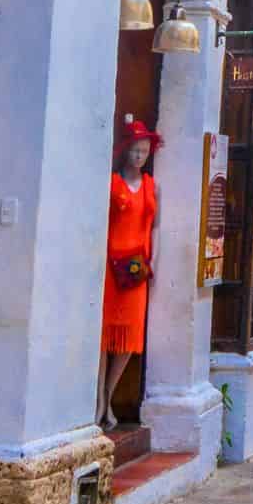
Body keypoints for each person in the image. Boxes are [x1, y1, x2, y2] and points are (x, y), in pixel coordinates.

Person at [99, 120, 160, 430]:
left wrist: (155, 262)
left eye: (144, 151)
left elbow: (156, 227)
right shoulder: (112, 183)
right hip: (111, 267)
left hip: (137, 269)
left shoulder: (151, 185)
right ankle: (100, 401)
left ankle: (108, 394)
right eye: (135, 150)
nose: (139, 156)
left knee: (128, 339)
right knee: (105, 336)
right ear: (125, 152)